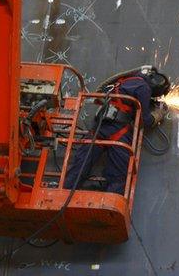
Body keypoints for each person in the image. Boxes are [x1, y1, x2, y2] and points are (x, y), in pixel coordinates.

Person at [63, 66, 170, 194]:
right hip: (118, 130)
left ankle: (64, 191)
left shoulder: (127, 80)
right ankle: (110, 200)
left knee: (81, 162)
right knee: (120, 171)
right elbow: (144, 120)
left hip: (100, 127)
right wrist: (158, 114)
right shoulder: (144, 88)